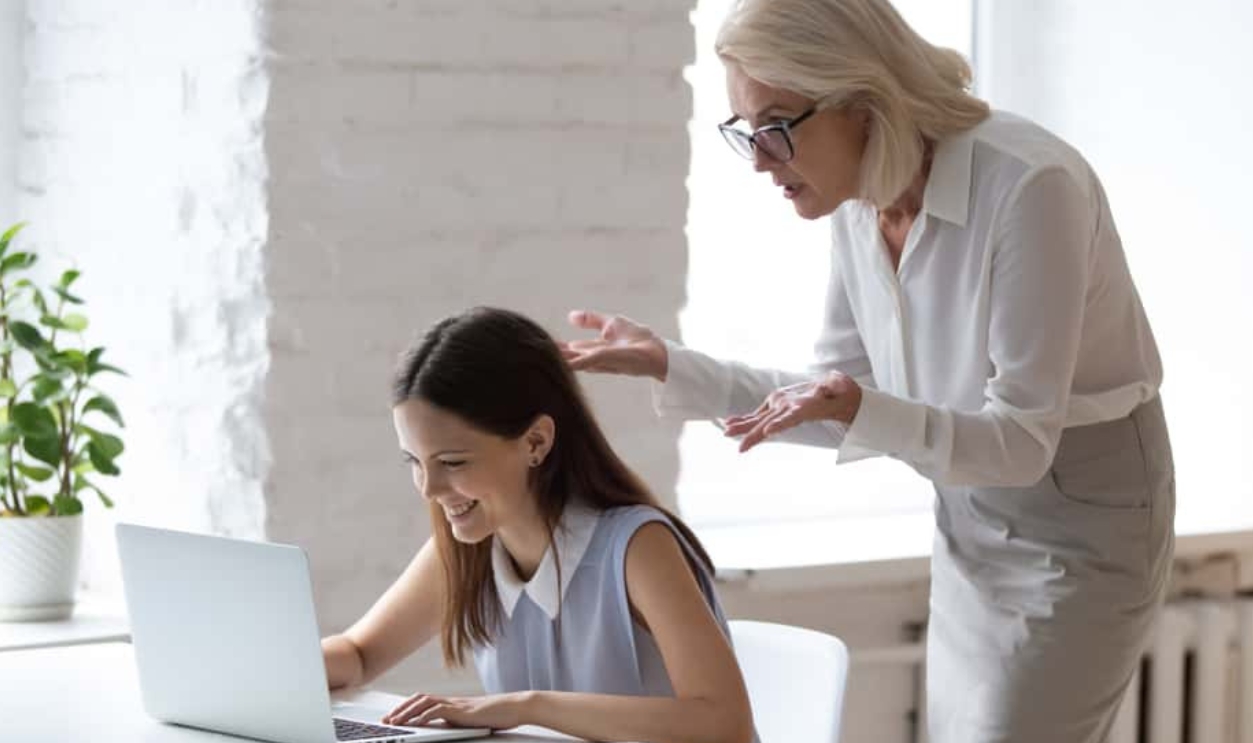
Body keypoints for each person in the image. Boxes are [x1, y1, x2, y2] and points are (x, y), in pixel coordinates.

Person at [560, 1, 1174, 741]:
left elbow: (1017, 442)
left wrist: (854, 407)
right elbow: (836, 397)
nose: (758, 158)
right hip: (966, 520)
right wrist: (670, 363)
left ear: (861, 100)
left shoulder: (1029, 184)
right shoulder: (859, 201)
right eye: (744, 131)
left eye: (775, 125)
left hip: (1082, 519)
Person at [320, 307, 756, 743]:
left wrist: (529, 706)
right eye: (414, 462)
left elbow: (723, 724)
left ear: (536, 441)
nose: (429, 488)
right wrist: (267, 668)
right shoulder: (469, 546)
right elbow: (358, 654)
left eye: (453, 462)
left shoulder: (637, 546)